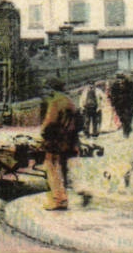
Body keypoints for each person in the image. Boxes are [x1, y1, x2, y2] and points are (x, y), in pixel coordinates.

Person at [39, 76, 79, 211]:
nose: (46, 91)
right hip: (68, 140)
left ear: (52, 89)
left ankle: (58, 200)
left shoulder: (55, 102)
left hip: (55, 140)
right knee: (62, 169)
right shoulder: (69, 101)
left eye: (47, 88)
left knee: (51, 168)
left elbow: (49, 122)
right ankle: (64, 198)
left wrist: (42, 133)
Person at [108, 72, 133, 137]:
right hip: (118, 104)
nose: (120, 81)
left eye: (122, 79)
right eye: (119, 79)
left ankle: (126, 130)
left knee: (128, 117)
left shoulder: (129, 85)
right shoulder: (114, 86)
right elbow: (112, 95)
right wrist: (113, 103)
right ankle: (127, 127)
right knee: (122, 118)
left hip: (129, 104)